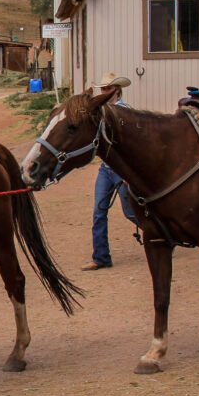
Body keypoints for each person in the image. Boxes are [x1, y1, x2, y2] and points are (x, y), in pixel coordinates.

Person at [82, 73, 140, 271]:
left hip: (122, 170)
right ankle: (101, 257)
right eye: (102, 89)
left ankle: (163, 234)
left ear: (116, 90)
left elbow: (132, 145)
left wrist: (128, 173)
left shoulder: (125, 113)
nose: (104, 92)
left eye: (107, 89)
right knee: (99, 211)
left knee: (131, 212)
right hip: (107, 169)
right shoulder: (100, 113)